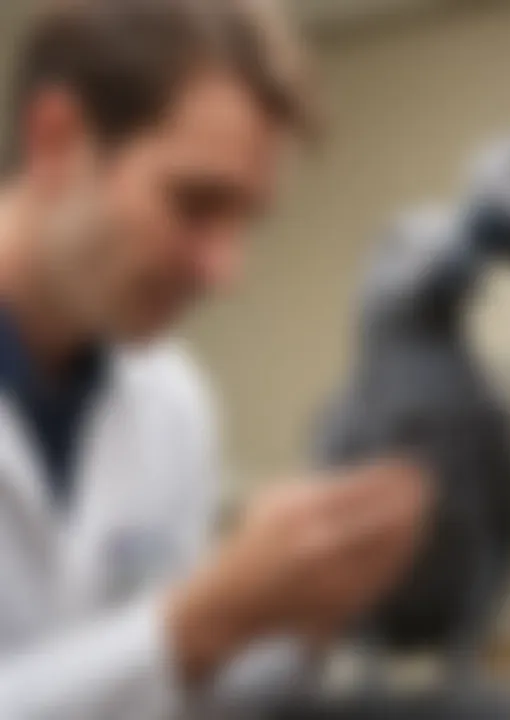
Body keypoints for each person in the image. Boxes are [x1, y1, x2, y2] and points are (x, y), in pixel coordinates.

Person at [0, 0, 431, 717]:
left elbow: (165, 693)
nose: (225, 270)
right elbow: (166, 646)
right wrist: (201, 620)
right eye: (194, 204)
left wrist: (296, 615)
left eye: (246, 221)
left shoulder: (172, 398)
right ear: (57, 141)